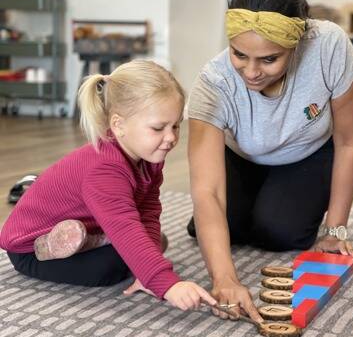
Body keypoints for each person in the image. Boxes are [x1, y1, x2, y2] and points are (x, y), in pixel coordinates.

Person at [187, 0, 353, 322]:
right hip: (241, 157)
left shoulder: (328, 45)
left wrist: (335, 231)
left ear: (296, 45)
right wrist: (224, 280)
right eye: (239, 54)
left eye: (269, 59)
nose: (251, 72)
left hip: (308, 153)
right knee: (223, 224)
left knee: (280, 232)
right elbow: (207, 190)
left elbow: (350, 140)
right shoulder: (214, 82)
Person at [0, 60, 216, 312]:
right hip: (29, 249)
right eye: (158, 128)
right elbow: (125, 226)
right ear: (118, 125)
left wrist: (147, 265)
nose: (171, 138)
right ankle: (72, 243)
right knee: (111, 267)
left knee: (151, 244)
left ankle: (94, 240)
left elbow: (147, 209)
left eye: (176, 125)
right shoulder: (104, 170)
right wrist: (166, 284)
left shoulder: (148, 157)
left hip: (93, 224)